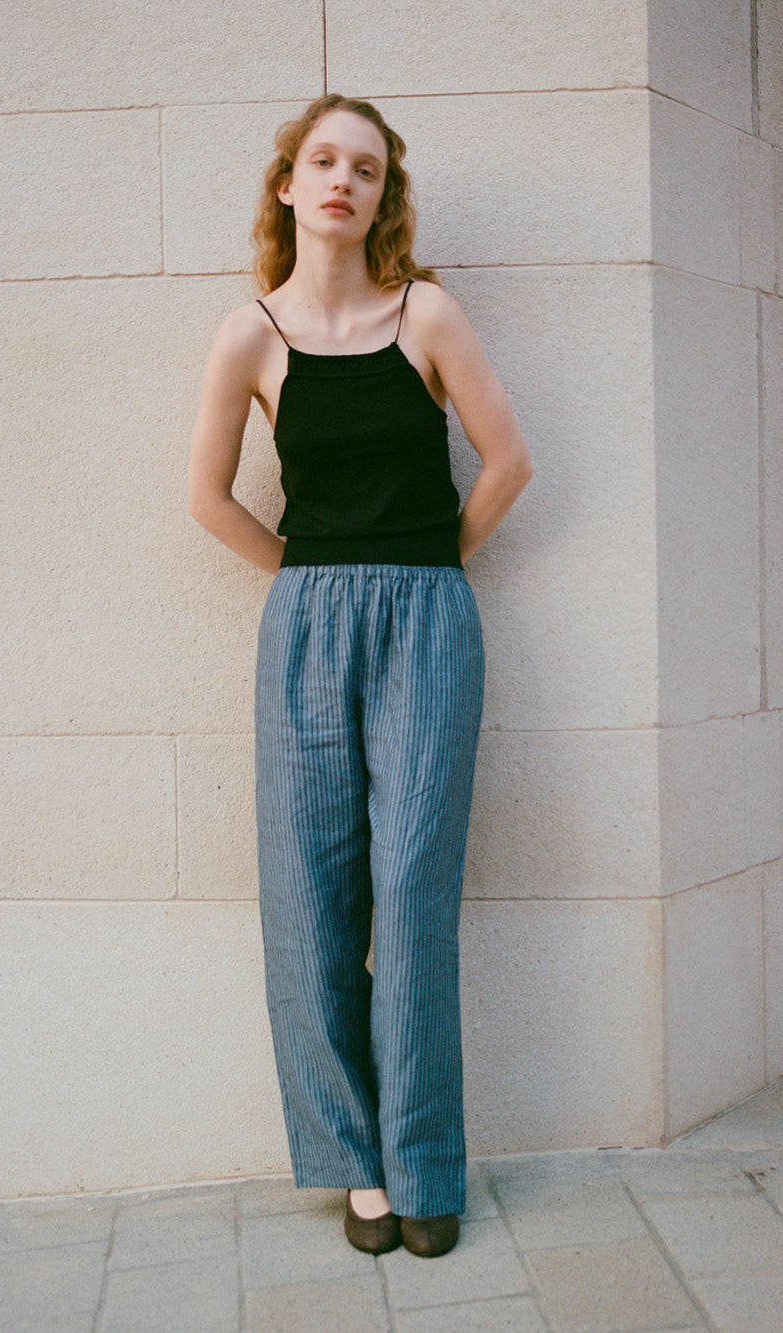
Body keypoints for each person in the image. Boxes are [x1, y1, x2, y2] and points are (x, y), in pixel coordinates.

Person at [188, 94, 532, 1259]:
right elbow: (205, 497)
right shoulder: (250, 336)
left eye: (368, 168)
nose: (344, 180)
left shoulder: (425, 313)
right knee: (308, 898)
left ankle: (426, 1162)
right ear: (288, 184)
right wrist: (305, 577)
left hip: (428, 617)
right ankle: (356, 1166)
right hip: (304, 625)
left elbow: (509, 461)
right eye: (325, 161)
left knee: (414, 892)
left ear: (385, 196)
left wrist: (433, 564)